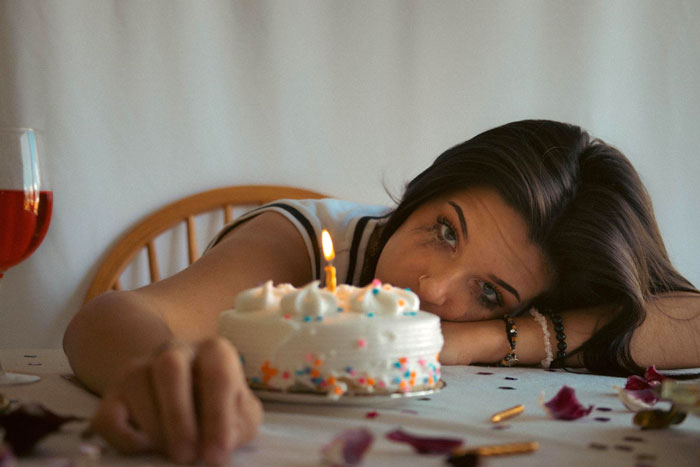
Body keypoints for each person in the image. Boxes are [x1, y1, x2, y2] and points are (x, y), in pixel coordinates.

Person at [63, 119, 700, 464]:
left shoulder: (538, 291)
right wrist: (149, 368)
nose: (432, 286)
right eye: (446, 231)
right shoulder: (307, 241)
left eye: (487, 290)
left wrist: (484, 340)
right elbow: (113, 318)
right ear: (420, 193)